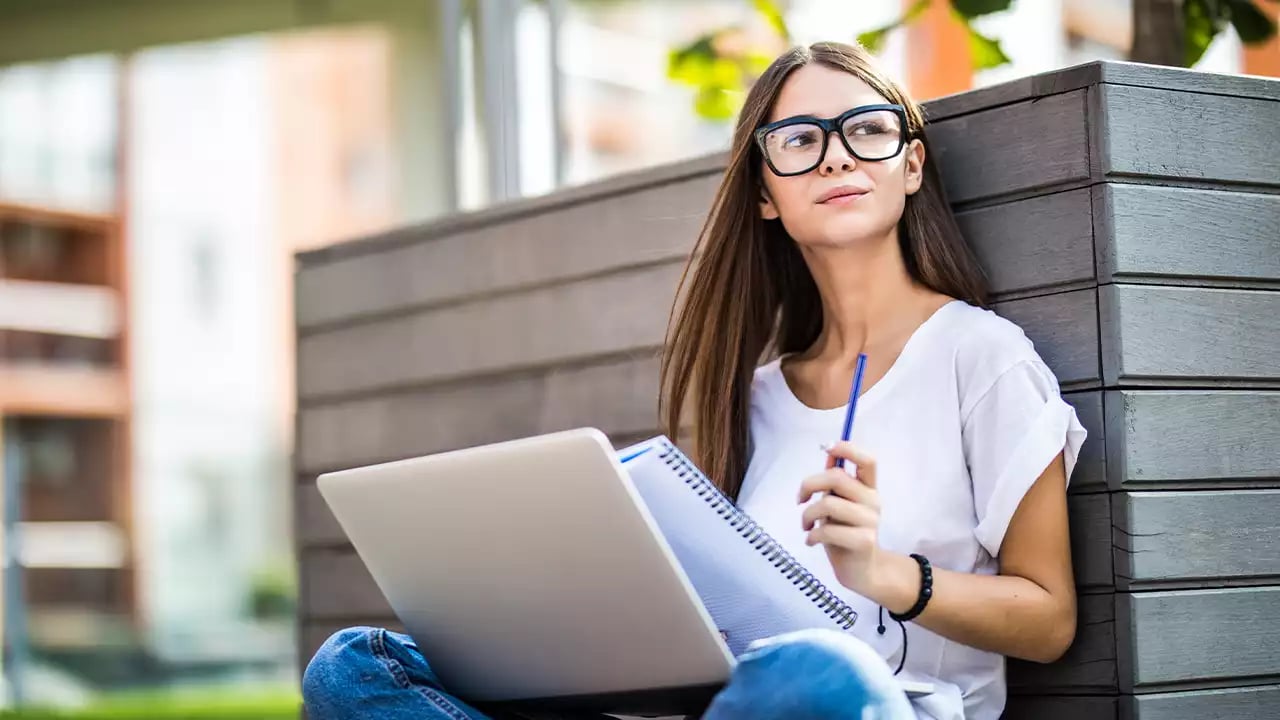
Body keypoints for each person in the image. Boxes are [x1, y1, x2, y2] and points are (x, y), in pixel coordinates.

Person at [302, 40, 1085, 720]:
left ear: (912, 164)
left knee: (814, 673)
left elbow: (1049, 619)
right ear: (764, 194)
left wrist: (885, 574)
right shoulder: (756, 396)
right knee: (354, 668)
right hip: (728, 703)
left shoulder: (981, 356)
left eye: (869, 131)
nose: (838, 155)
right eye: (800, 141)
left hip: (868, 704)